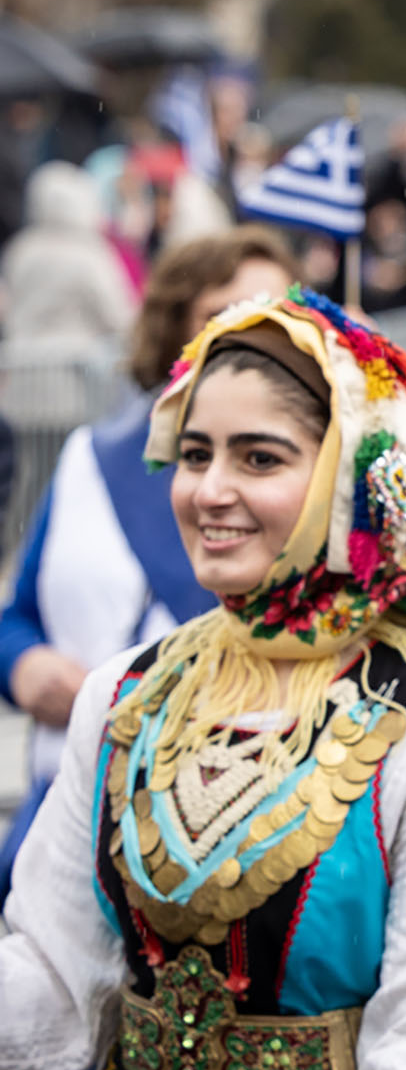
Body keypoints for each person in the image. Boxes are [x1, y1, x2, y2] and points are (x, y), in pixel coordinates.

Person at [0, 288, 406, 1070]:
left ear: (348, 481)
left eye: (260, 459)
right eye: (196, 453)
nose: (208, 490)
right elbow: (57, 987)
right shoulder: (123, 693)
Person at [0, 227, 298, 892]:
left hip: (223, 838)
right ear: (176, 331)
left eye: (282, 320)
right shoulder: (90, 457)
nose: (257, 343)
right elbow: (16, 615)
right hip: (67, 817)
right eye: (230, 317)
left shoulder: (309, 493)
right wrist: (25, 666)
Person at [0, 160, 135, 348]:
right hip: (76, 368)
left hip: (23, 365)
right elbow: (119, 316)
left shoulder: (21, 250)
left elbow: (7, 306)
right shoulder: (91, 253)